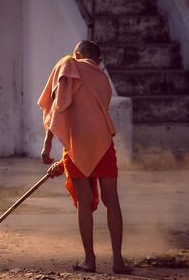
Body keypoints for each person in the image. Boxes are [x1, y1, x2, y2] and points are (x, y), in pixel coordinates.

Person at [37, 40, 132, 274]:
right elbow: (92, 114)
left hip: (77, 143)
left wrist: (48, 143)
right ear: (98, 61)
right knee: (113, 201)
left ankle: (90, 260)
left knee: (84, 203)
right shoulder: (103, 79)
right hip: (103, 142)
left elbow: (60, 106)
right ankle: (118, 261)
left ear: (77, 54)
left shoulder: (68, 64)